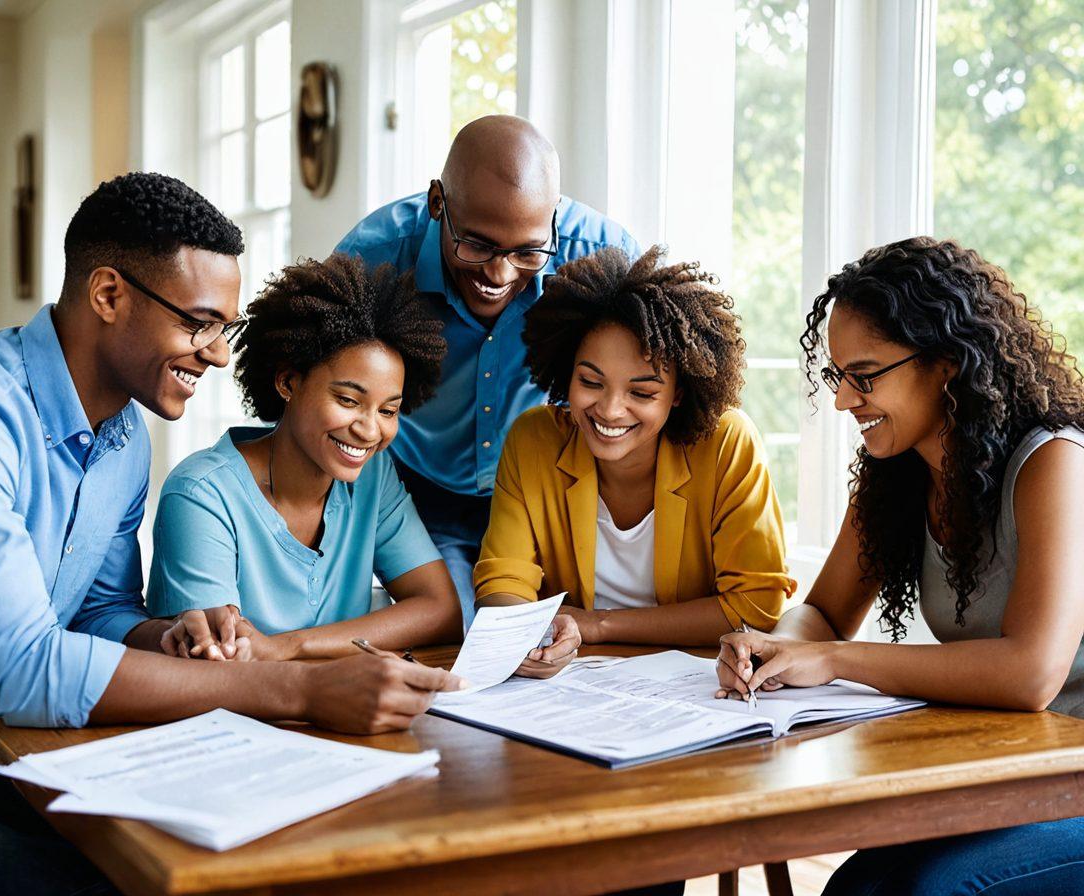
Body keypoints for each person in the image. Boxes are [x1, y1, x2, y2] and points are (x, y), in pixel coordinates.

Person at [0, 173, 461, 896]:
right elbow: (20, 669)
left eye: (226, 330)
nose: (216, 354)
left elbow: (99, 613)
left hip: (16, 758)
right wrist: (295, 690)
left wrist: (173, 632)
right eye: (198, 322)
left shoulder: (124, 439)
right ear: (109, 295)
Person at [715, 236, 1084, 896]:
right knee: (854, 890)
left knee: (933, 892)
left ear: (945, 363)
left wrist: (835, 660)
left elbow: (1032, 671)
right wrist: (777, 652)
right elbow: (823, 612)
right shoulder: (898, 476)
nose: (842, 401)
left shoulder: (1054, 463)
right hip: (1015, 771)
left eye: (865, 374)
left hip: (1070, 775)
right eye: (837, 376)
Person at [336, 115, 638, 627]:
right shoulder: (372, 261)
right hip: (422, 488)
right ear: (438, 204)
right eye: (476, 245)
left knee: (558, 638)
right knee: (462, 630)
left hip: (549, 487)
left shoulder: (602, 258)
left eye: (527, 251)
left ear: (554, 220)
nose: (499, 275)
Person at [476, 246, 794, 677]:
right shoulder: (534, 440)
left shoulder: (725, 443)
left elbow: (755, 606)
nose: (609, 410)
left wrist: (596, 625)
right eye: (590, 382)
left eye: (641, 393)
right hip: (567, 685)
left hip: (698, 685)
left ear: (678, 392)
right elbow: (503, 583)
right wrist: (520, 638)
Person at [148, 255, 463, 657]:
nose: (369, 430)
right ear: (288, 382)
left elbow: (441, 610)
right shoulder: (202, 494)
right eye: (348, 400)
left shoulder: (373, 476)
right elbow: (214, 658)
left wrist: (289, 647)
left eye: (388, 410)